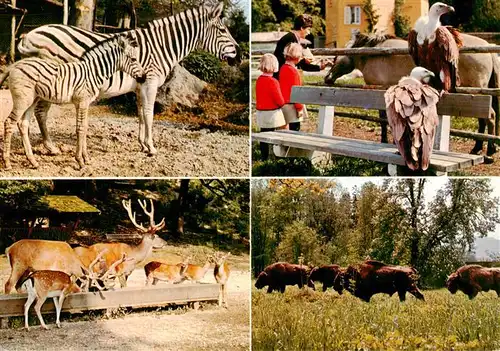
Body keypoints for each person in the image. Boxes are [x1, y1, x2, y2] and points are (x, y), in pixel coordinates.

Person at [255, 53, 286, 161]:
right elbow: (279, 99)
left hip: (261, 112)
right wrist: (283, 104)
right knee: (275, 134)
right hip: (272, 113)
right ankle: (276, 155)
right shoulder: (273, 82)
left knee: (263, 135)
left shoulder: (259, 80)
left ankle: (264, 157)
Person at [279, 43, 306, 132]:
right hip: (293, 105)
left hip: (284, 104)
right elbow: (296, 92)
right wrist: (299, 108)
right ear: (297, 57)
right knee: (295, 129)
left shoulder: (283, 68)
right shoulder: (294, 72)